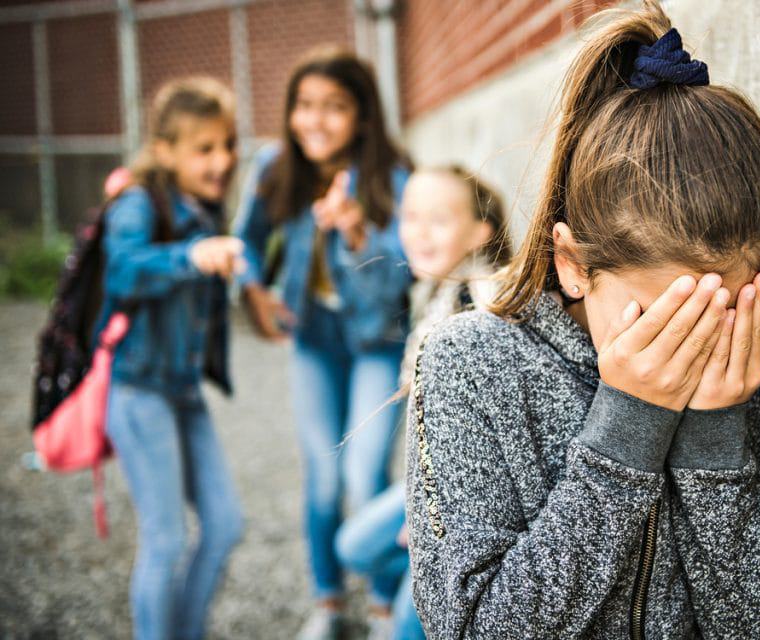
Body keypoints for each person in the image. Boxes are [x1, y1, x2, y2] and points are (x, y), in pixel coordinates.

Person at [405, 3, 760, 638]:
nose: (691, 351)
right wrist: (628, 429)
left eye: (719, 315)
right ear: (573, 264)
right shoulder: (470, 366)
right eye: (663, 320)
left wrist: (716, 443)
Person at [232, 45, 412, 640]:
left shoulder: (394, 178)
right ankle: (329, 601)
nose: (315, 120)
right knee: (325, 476)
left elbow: (397, 286)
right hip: (313, 339)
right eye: (304, 105)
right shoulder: (274, 166)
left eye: (334, 107)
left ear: (362, 116)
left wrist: (357, 231)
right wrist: (253, 290)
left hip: (376, 342)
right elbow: (246, 242)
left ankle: (387, 598)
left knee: (364, 475)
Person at [335, 166, 511, 640]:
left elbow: (490, 429)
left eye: (439, 219)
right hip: (431, 481)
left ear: (480, 233)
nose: (418, 232)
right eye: (409, 217)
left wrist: (435, 518)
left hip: (466, 497)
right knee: (354, 546)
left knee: (410, 623)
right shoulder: (437, 289)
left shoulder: (482, 302)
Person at [102, 77, 245, 640]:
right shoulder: (139, 202)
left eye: (227, 145)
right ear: (164, 150)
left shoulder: (205, 208)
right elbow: (123, 270)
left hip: (182, 392)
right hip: (138, 391)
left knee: (226, 524)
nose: (222, 159)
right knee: (164, 538)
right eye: (204, 148)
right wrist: (191, 255)